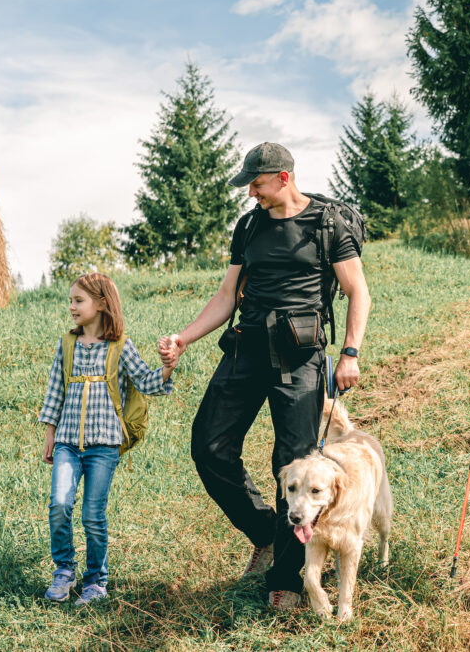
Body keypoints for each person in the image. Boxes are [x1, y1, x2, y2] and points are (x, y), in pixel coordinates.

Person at [157, 142, 370, 610]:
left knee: (295, 461)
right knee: (208, 444)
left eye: (256, 183)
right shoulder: (249, 226)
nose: (251, 193)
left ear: (283, 178)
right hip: (247, 348)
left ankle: (286, 581)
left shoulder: (327, 225)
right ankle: (265, 530)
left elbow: (358, 292)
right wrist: (185, 338)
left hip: (300, 356)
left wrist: (350, 352)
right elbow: (227, 294)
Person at [37, 272, 175, 606]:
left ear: (101, 304)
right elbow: (56, 391)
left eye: (78, 300)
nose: (71, 306)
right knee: (59, 504)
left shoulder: (119, 346)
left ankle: (96, 580)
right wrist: (50, 434)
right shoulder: (67, 345)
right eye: (70, 300)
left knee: (93, 515)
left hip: (104, 446)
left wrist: (168, 367)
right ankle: (64, 570)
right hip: (68, 442)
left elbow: (145, 380)